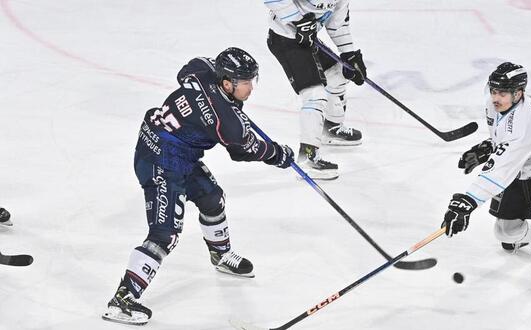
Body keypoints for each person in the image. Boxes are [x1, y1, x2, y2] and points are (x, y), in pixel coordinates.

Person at [102, 47, 294, 325]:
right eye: (246, 82)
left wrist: (222, 103)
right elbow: (243, 149)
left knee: (212, 197)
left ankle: (220, 254)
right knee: (164, 234)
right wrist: (278, 154)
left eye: (253, 80)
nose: (251, 87)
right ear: (227, 83)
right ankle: (123, 299)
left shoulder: (203, 72)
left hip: (175, 150)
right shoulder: (226, 123)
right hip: (160, 159)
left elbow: (188, 70)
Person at [440, 62, 531, 293]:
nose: (495, 97)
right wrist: (489, 146)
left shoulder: (523, 121)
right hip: (526, 164)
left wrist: (467, 202)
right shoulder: (495, 105)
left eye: (502, 93)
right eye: (493, 91)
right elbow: (504, 143)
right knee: (505, 234)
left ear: (518, 93)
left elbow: (500, 169)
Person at [265, 0, 367, 180]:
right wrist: (297, 20)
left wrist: (349, 54)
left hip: (307, 40)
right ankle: (307, 157)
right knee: (315, 94)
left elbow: (338, 22)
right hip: (285, 39)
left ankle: (331, 127)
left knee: (337, 74)